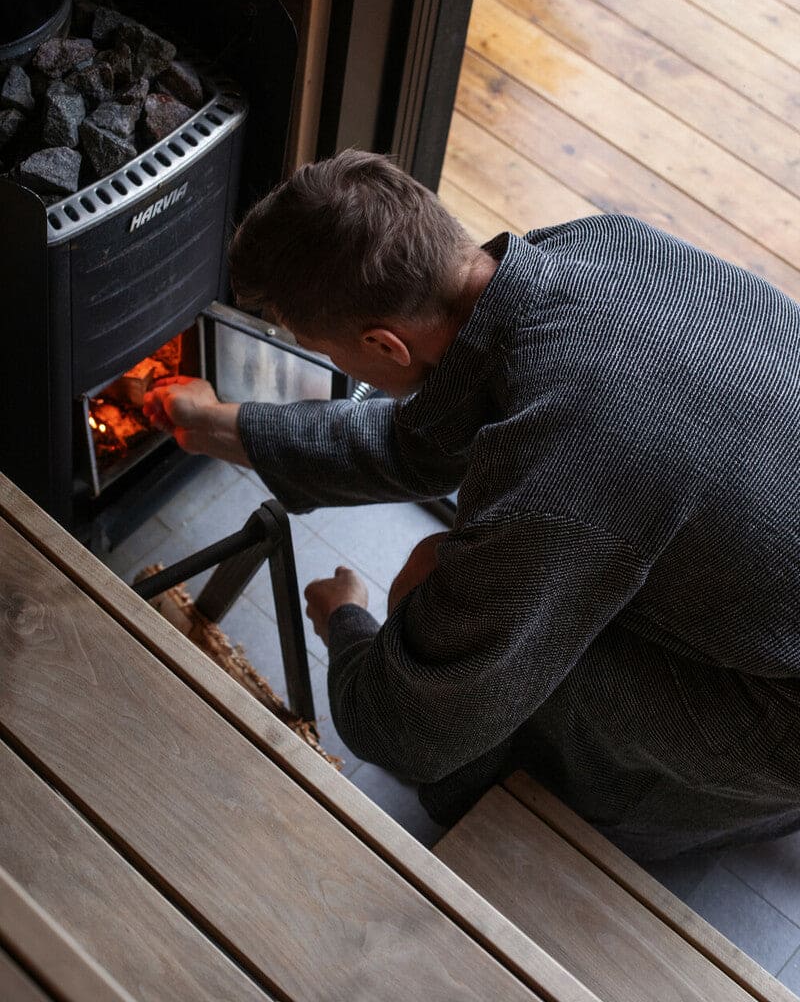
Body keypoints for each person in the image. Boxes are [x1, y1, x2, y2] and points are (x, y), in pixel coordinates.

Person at [143, 149, 800, 862]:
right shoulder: (600, 246)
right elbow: (420, 439)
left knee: (437, 602)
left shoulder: (563, 457)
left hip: (783, 711)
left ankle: (632, 814)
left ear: (384, 344)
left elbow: (411, 724)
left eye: (324, 351)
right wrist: (222, 427)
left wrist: (350, 628)